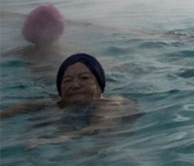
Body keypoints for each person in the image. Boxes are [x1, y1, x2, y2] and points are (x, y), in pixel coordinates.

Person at [0, 53, 138, 145]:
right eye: (67, 80)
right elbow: (11, 111)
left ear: (99, 84)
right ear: (60, 88)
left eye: (84, 78)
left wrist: (58, 139)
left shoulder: (110, 103)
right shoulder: (52, 104)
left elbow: (100, 126)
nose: (75, 85)